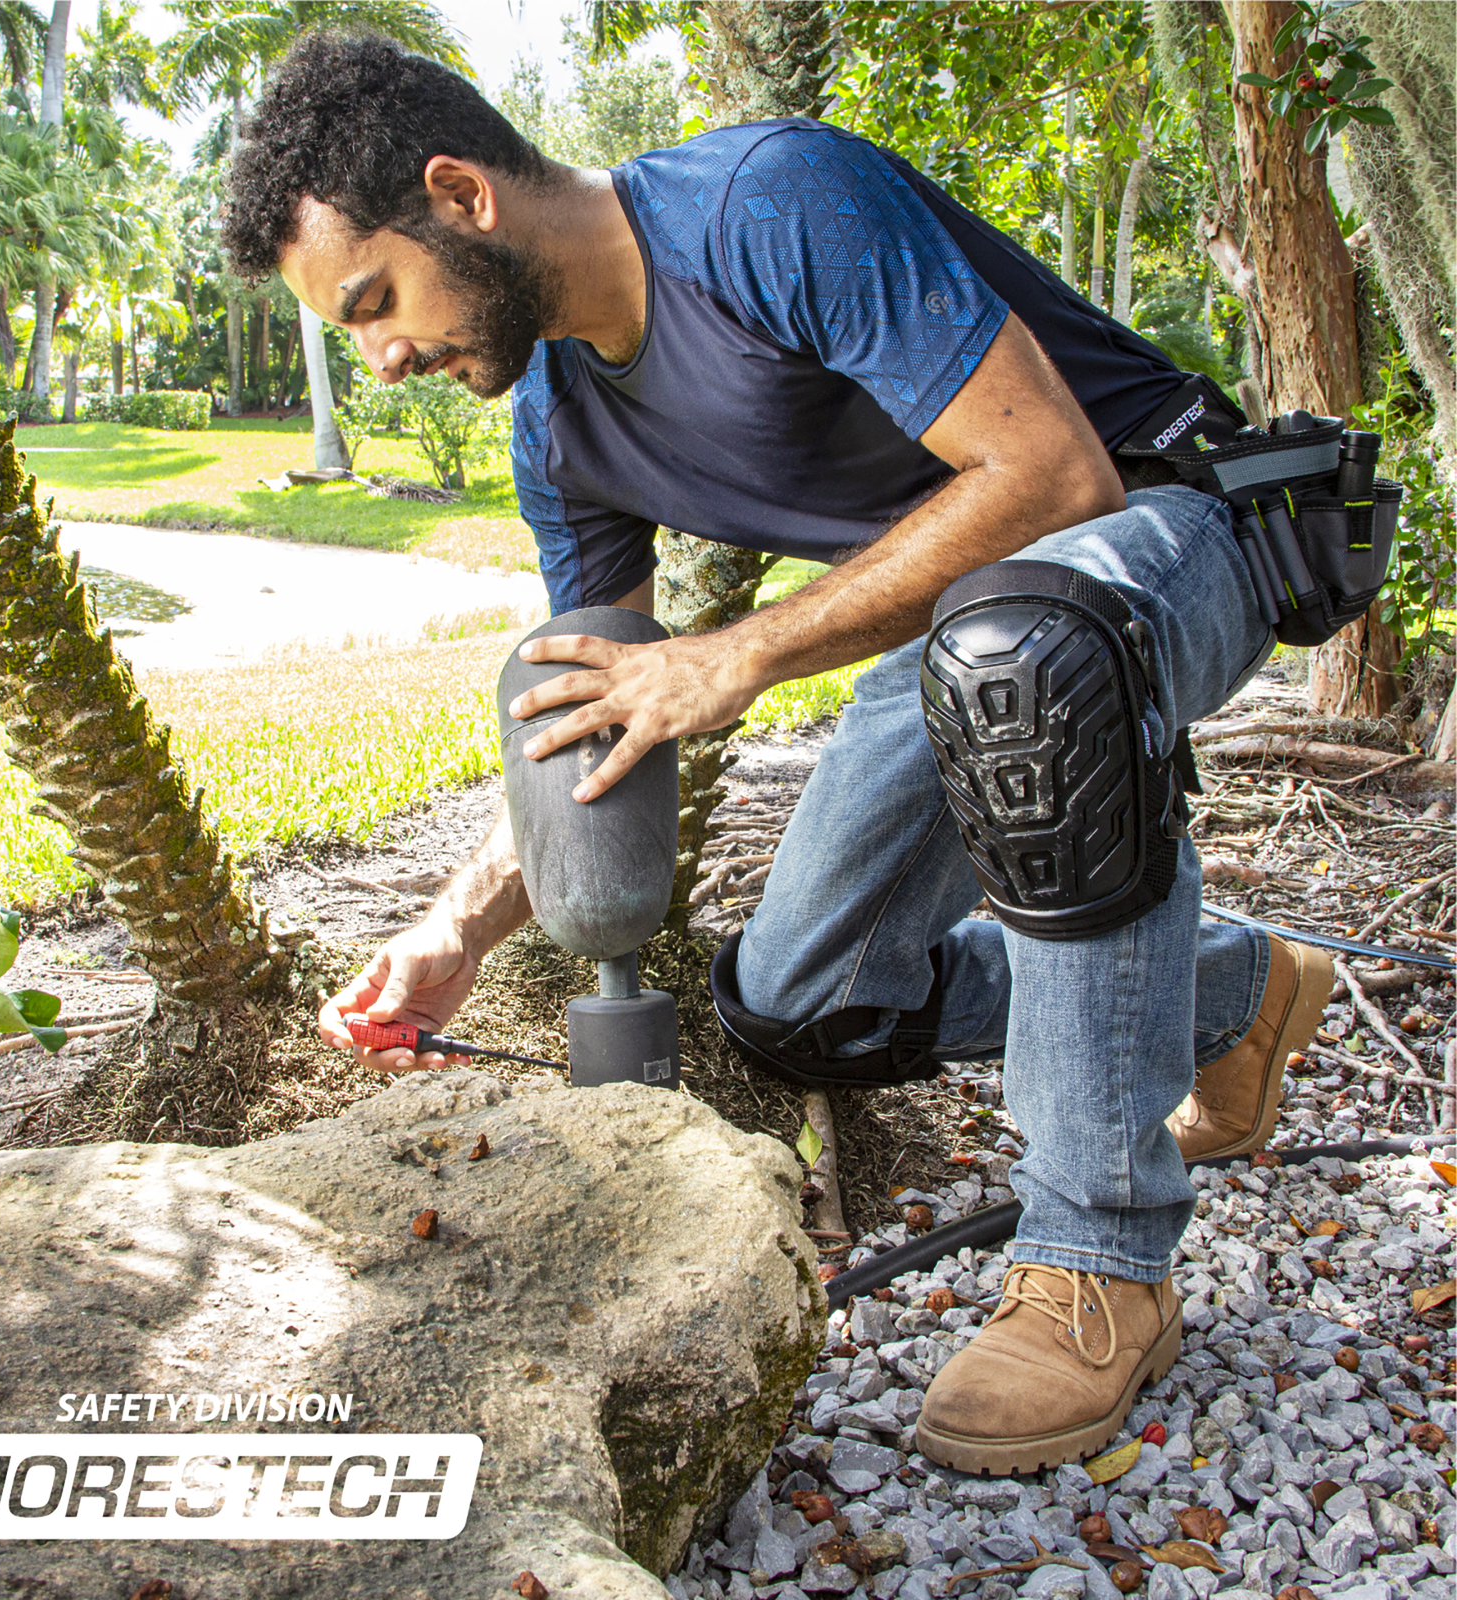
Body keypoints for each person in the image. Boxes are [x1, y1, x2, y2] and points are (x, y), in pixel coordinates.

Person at [223, 31, 1332, 1474]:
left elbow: (1058, 480)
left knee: (1023, 657)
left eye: (374, 300)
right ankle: (1239, 991)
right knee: (804, 999)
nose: (380, 358)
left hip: (1180, 529)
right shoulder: (561, 430)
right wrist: (458, 931)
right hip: (979, 628)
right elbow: (591, 718)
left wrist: (738, 653)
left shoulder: (765, 205)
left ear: (461, 195)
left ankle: (1097, 1263)